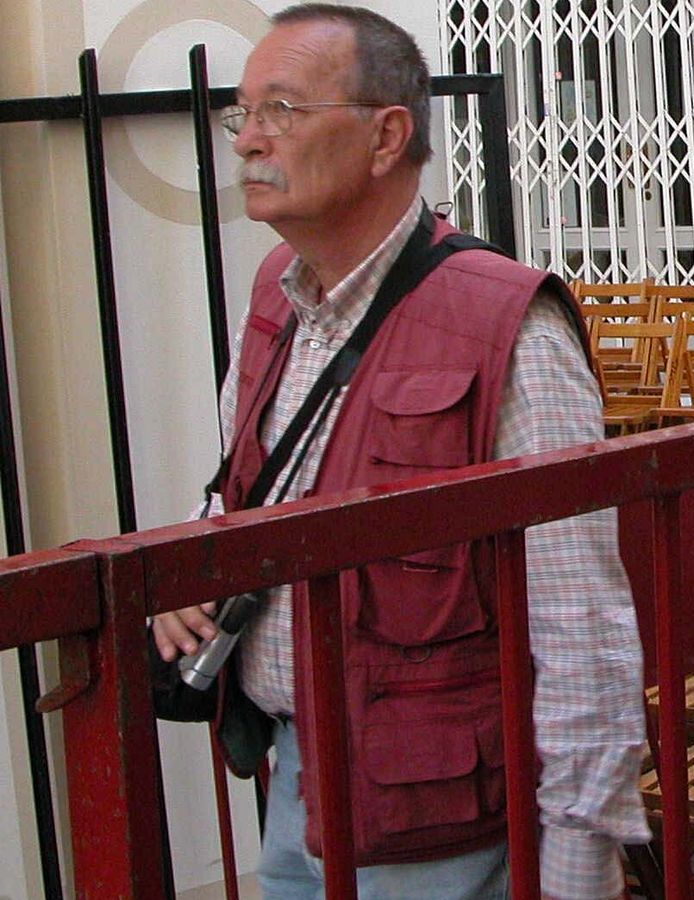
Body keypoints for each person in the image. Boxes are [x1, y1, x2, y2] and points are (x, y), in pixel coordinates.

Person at [149, 6, 648, 897]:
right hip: (298, 771)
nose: (249, 141)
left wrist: (578, 861)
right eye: (242, 114)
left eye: (283, 111)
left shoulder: (509, 326)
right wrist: (194, 556)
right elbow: (249, 489)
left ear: (386, 136)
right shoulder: (275, 300)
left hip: (443, 818)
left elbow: (580, 623)